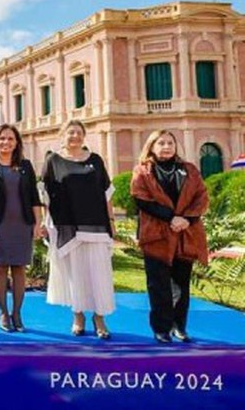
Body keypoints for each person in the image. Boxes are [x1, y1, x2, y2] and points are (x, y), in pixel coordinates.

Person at [130, 130, 209, 343]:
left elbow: (201, 197)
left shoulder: (189, 170)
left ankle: (180, 327)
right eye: (161, 143)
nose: (166, 147)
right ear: (152, 146)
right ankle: (161, 328)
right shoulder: (143, 171)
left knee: (182, 285)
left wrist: (186, 219)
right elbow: (141, 199)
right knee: (159, 286)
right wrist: (171, 218)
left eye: (170, 143)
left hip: (185, 235)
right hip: (156, 237)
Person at [41, 119, 115, 339]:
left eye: (78, 132)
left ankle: (100, 317)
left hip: (96, 225)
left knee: (99, 274)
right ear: (62, 135)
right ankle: (78, 315)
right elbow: (45, 195)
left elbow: (106, 192)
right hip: (68, 225)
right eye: (70, 132)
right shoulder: (52, 161)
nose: (74, 136)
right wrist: (45, 223)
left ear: (84, 136)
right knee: (76, 274)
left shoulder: (95, 160)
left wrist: (111, 220)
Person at [0, 124, 44, 333]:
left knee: (19, 268)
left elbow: (34, 197)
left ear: (16, 143)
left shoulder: (25, 166)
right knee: (0, 268)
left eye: (10, 139)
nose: (6, 142)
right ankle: (3, 313)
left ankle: (17, 313)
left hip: (22, 224)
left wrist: (37, 224)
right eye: (2, 138)